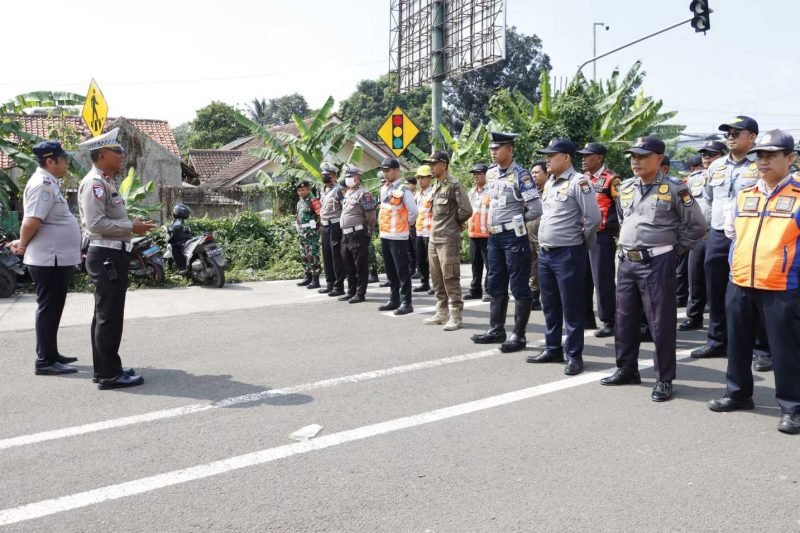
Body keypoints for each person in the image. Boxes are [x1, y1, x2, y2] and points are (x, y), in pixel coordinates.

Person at [599, 136, 706, 401]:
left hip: (657, 263)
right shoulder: (625, 187)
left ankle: (664, 378)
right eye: (633, 157)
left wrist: (673, 250)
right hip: (626, 262)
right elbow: (626, 220)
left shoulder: (674, 189)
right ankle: (627, 368)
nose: (636, 161)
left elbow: (697, 226)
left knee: (660, 323)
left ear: (659, 158)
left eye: (642, 156)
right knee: (624, 319)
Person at [707, 129, 800, 434]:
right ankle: (737, 393)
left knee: (785, 349)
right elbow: (732, 234)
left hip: (781, 285)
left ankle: (792, 407)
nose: (763, 161)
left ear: (790, 158)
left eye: (771, 155)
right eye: (759, 155)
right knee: (738, 343)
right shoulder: (746, 194)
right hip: (742, 281)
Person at [77, 128, 155, 389]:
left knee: (105, 315)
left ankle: (106, 368)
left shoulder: (105, 181)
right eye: (117, 151)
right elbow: (95, 223)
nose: (122, 155)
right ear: (102, 155)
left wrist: (130, 226)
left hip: (112, 254)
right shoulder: (95, 184)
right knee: (108, 316)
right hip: (106, 254)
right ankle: (110, 375)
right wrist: (131, 227)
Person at [527, 139, 601, 375]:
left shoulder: (579, 182)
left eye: (552, 155)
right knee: (550, 305)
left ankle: (574, 355)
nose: (547, 159)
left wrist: (581, 244)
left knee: (572, 307)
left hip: (568, 253)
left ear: (566, 157)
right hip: (546, 254)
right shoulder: (549, 183)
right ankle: (552, 348)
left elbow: (593, 218)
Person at [8, 141, 81, 376]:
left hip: (55, 258)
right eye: (64, 159)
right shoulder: (43, 185)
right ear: (50, 161)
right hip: (49, 259)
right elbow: (32, 221)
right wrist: (22, 244)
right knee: (49, 308)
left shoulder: (50, 183)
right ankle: (45, 361)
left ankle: (51, 353)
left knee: (53, 307)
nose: (67, 163)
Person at [693, 117, 762, 359]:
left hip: (752, 236)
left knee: (753, 290)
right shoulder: (716, 166)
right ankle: (717, 341)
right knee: (716, 288)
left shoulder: (760, 165)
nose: (730, 136)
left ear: (752, 137)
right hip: (719, 234)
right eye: (728, 133)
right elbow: (710, 199)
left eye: (737, 132)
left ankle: (760, 347)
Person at [471, 132, 542, 352]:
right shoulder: (491, 174)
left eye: (498, 148)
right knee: (495, 282)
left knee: (519, 285)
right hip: (494, 237)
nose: (493, 152)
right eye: (492, 148)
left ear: (509, 150)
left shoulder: (522, 176)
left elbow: (536, 208)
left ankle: (519, 336)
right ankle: (496, 329)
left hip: (513, 235)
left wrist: (516, 222)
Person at [422, 150, 472, 331]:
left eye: (434, 164)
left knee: (450, 278)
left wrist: (454, 223)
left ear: (444, 165)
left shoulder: (454, 185)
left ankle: (456, 315)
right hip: (434, 239)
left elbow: (466, 210)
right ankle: (441, 311)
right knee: (436, 278)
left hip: (448, 239)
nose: (431, 167)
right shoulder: (436, 185)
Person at [577, 142, 621, 338]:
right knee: (582, 277)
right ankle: (586, 316)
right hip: (581, 234)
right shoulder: (581, 179)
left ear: (600, 158)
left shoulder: (612, 179)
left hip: (601, 235)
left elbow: (621, 209)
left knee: (602, 279)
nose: (583, 159)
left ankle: (609, 320)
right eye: (583, 156)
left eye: (588, 156)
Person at [680, 142, 725, 330]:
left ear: (722, 156)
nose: (706, 158)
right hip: (699, 235)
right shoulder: (693, 179)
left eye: (711, 154)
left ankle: (721, 320)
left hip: (719, 234)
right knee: (695, 278)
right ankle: (694, 316)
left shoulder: (728, 176)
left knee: (719, 281)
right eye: (704, 154)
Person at [377, 157, 418, 315]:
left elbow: (413, 212)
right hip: (386, 235)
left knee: (402, 271)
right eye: (384, 171)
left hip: (399, 236)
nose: (385, 174)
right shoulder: (384, 189)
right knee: (390, 271)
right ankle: (394, 299)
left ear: (396, 170)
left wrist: (405, 226)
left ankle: (406, 302)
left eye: (388, 170)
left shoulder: (403, 189)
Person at [338, 165, 376, 304]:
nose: (348, 179)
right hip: (345, 235)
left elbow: (371, 215)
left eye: (351, 176)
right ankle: (351, 291)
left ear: (358, 177)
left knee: (360, 265)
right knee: (348, 265)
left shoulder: (364, 194)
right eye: (346, 176)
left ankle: (360, 293)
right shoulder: (347, 193)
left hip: (358, 233)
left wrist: (370, 230)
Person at [318, 162, 346, 297]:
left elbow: (344, 207)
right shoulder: (322, 190)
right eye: (324, 175)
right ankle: (330, 284)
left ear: (335, 176)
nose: (325, 177)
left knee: (336, 256)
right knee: (327, 255)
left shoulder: (339, 190)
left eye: (328, 175)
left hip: (335, 224)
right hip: (325, 225)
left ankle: (339, 285)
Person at [465, 163, 490, 301]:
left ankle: (489, 290)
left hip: (488, 234)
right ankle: (475, 290)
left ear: (486, 174)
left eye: (479, 173)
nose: (475, 175)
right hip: (474, 233)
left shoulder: (491, 191)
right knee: (475, 265)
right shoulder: (471, 192)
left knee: (490, 265)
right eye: (474, 173)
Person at [527, 161, 548, 311]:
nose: (533, 175)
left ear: (546, 174)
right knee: (531, 269)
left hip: (545, 237)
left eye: (537, 172)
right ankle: (534, 298)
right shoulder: (531, 192)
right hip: (529, 236)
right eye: (532, 172)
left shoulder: (551, 191)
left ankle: (547, 298)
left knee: (544, 270)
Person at [295, 180, 322, 289]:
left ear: (308, 189)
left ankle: (316, 279)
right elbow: (298, 216)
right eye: (299, 190)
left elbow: (321, 215)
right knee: (304, 256)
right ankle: (308, 276)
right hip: (302, 233)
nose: (300, 192)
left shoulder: (313, 200)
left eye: (303, 190)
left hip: (311, 233)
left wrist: (318, 229)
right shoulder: (300, 202)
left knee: (313, 255)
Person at [412, 165, 434, 293]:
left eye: (423, 178)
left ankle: (436, 285)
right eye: (419, 178)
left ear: (429, 178)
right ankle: (424, 282)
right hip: (419, 231)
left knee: (432, 261)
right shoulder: (418, 195)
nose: (420, 180)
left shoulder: (433, 193)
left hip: (430, 232)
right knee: (420, 260)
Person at [405, 175, 418, 280]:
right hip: (408, 225)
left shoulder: (417, 195)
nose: (407, 186)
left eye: (409, 184)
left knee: (416, 248)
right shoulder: (406, 195)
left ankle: (418, 269)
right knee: (409, 249)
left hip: (416, 225)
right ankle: (411, 269)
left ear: (414, 185)